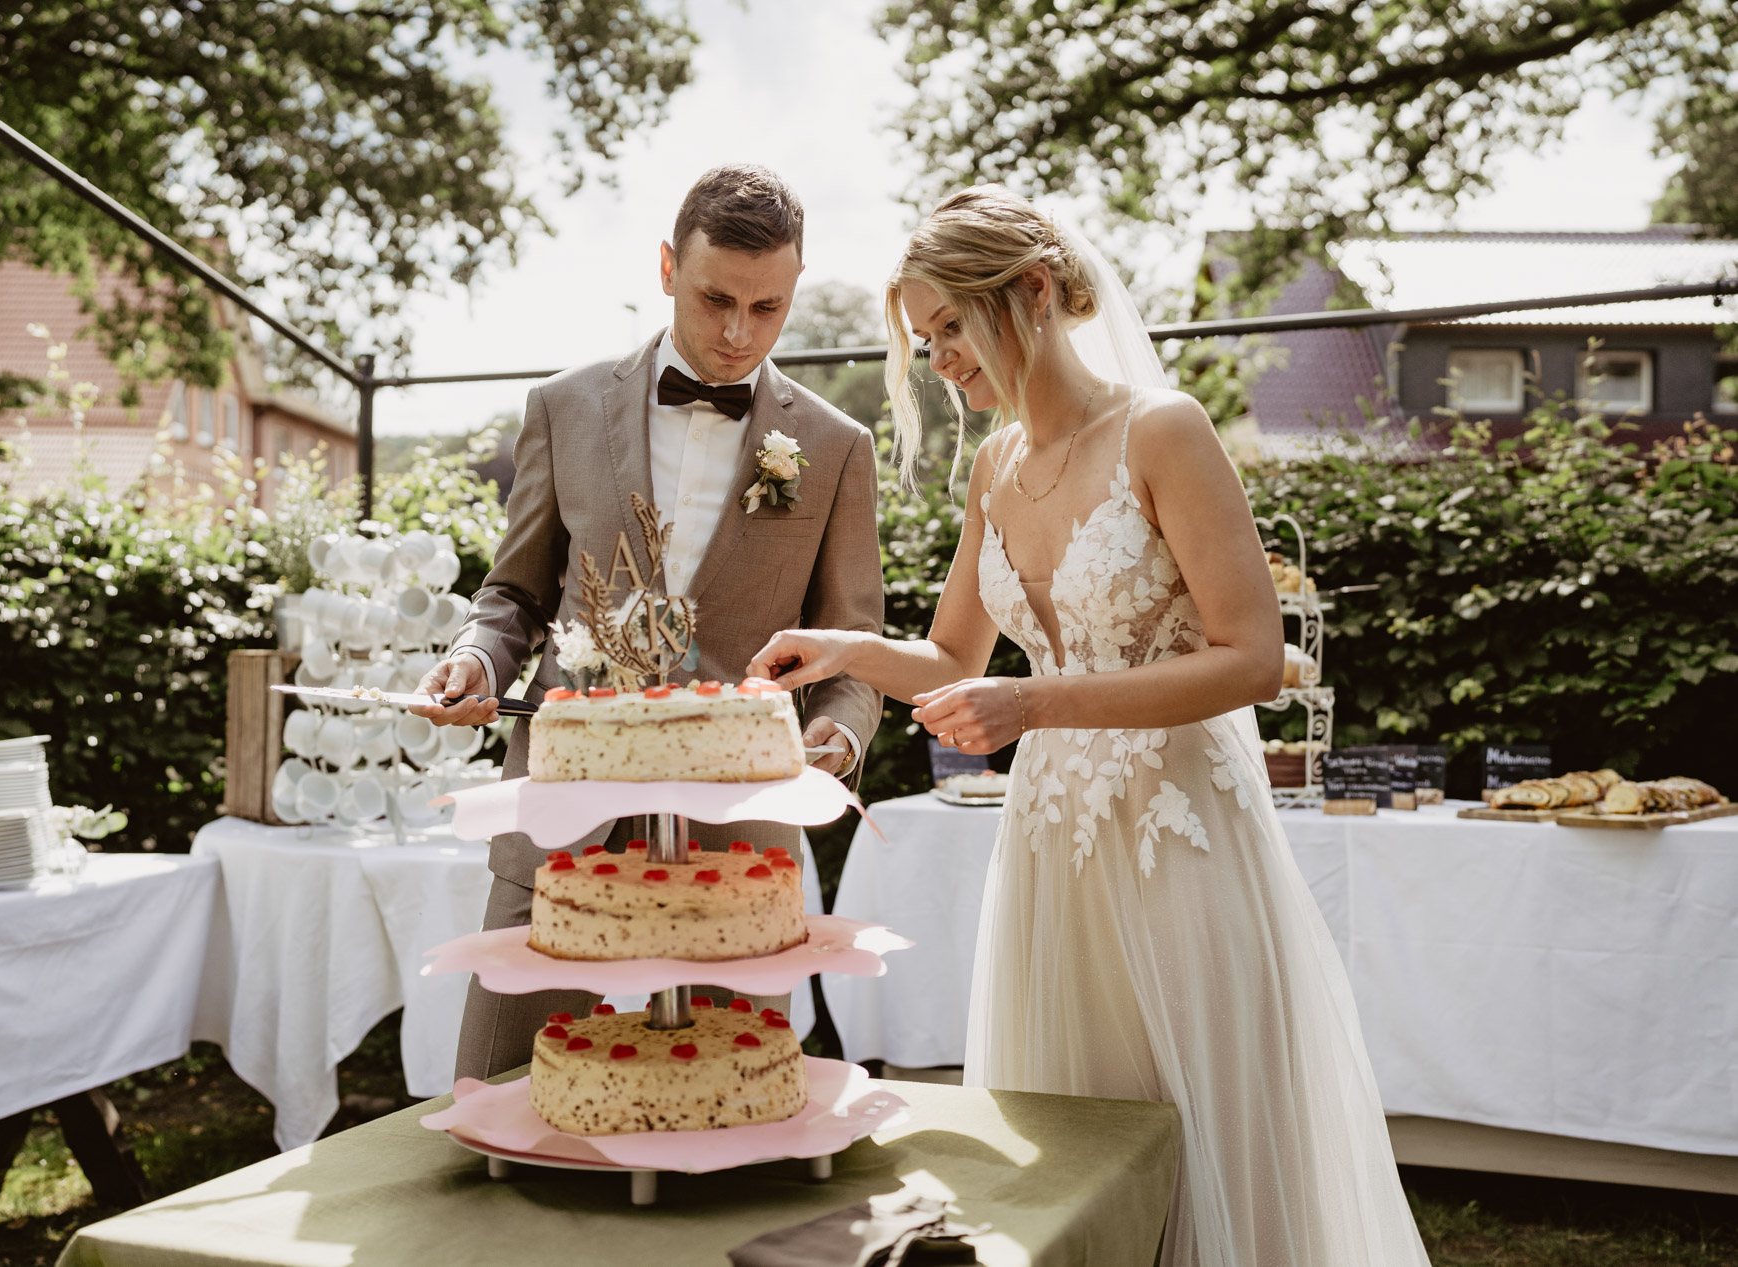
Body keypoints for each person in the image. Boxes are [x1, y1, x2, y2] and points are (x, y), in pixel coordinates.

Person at [748, 186, 1429, 1266]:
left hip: (1175, 833)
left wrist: (1039, 704)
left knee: (1190, 1114)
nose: (938, 361)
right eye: (923, 341)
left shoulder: (1163, 430)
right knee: (1063, 1130)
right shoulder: (994, 467)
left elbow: (1251, 657)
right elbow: (954, 658)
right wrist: (842, 649)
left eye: (950, 328)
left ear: (1028, 292)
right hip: (1051, 846)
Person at [412, 165, 883, 1081]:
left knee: (731, 1096)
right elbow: (513, 594)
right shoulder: (562, 406)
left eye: (768, 308)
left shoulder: (835, 446)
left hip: (740, 835)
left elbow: (851, 643)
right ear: (668, 267)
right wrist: (478, 654)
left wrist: (844, 729)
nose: (740, 333)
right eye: (716, 300)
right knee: (507, 1085)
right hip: (562, 813)